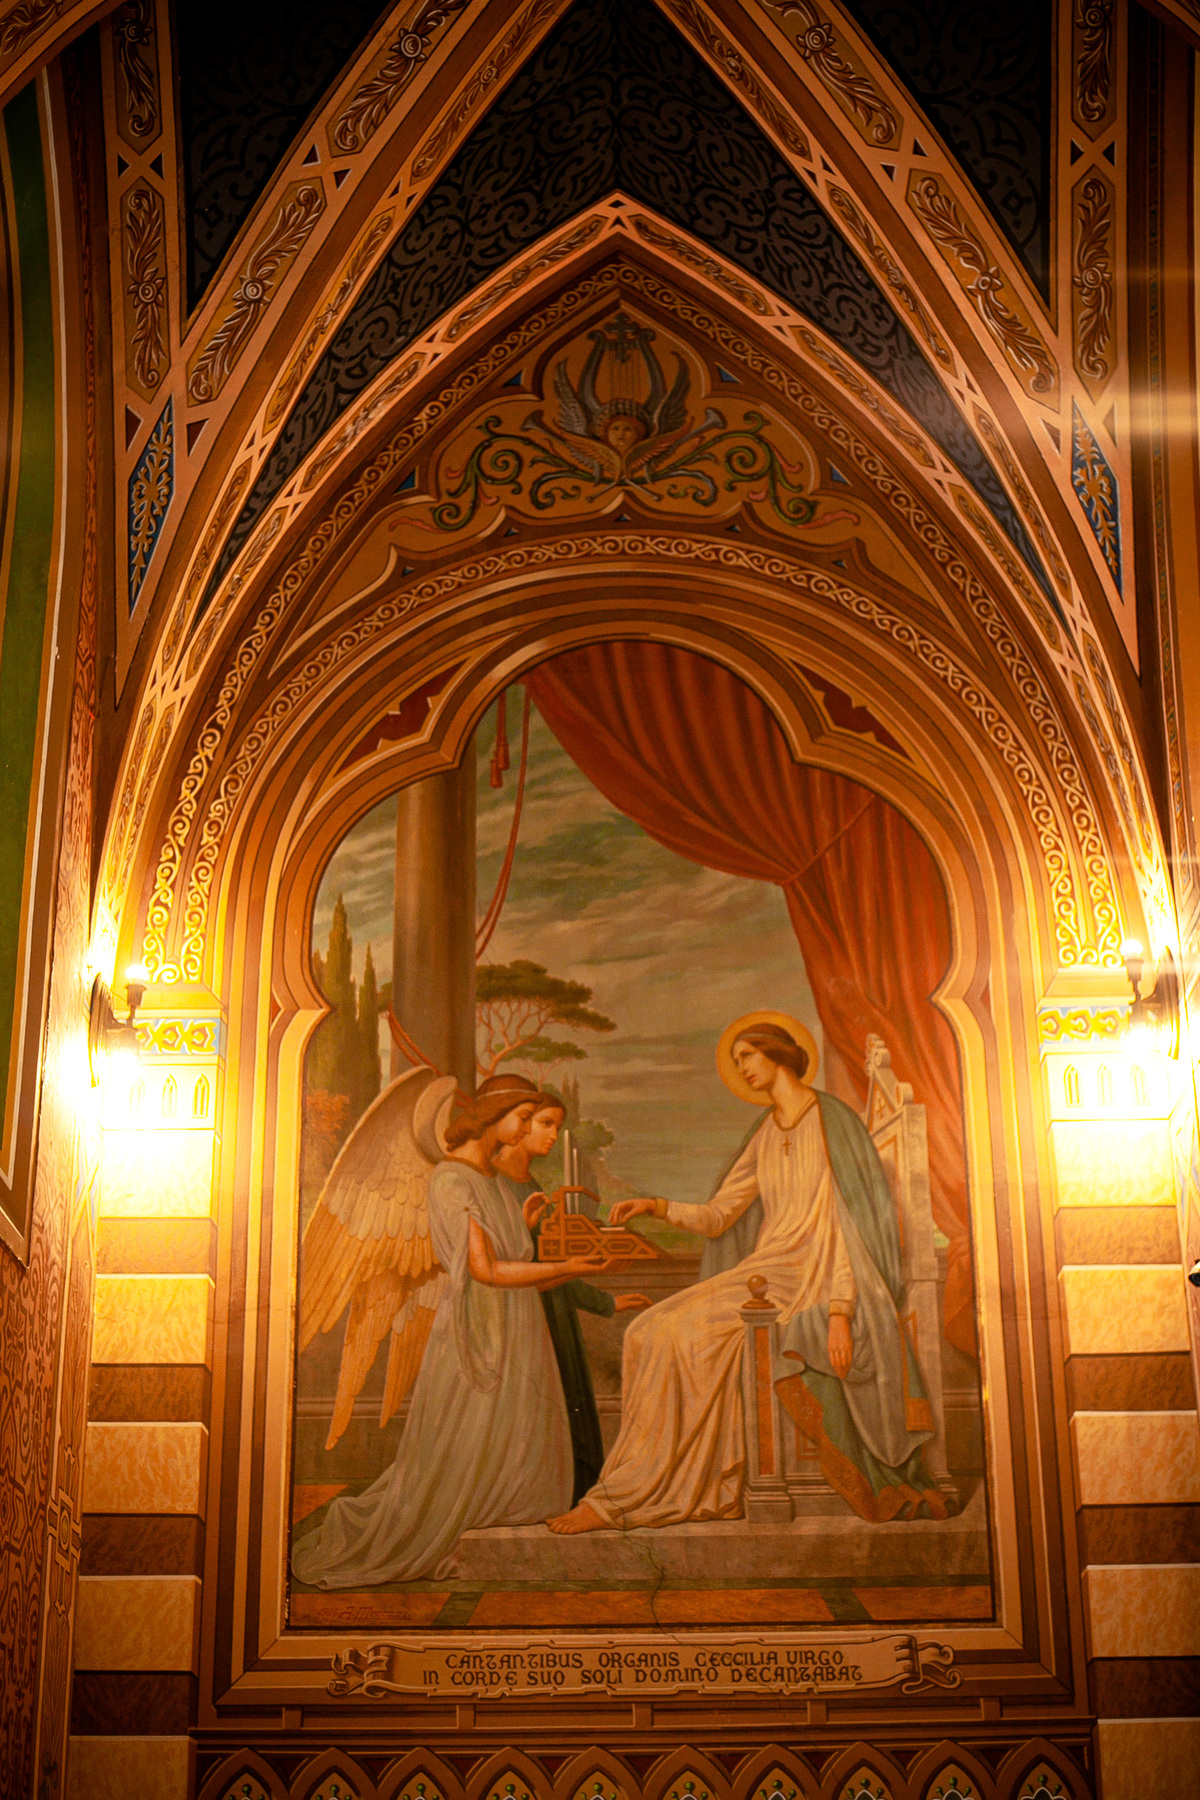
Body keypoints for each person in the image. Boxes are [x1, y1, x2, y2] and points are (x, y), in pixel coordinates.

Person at [547, 1011, 947, 1535]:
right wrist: (656, 1205)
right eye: (736, 1061)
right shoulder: (765, 1131)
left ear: (777, 1053)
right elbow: (720, 1215)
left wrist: (839, 1311)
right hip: (769, 1270)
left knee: (678, 1336)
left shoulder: (835, 1122)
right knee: (645, 1331)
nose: (742, 1069)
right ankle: (639, 1485)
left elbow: (854, 1230)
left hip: (816, 1277)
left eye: (747, 1057)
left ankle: (626, 1499)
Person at [291, 1075, 610, 1588]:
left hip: (518, 1329)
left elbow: (510, 1260)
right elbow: (486, 1272)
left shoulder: (494, 1180)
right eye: (522, 1118)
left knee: (516, 1441)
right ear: (495, 1114)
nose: (527, 1129)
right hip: (478, 1334)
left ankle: (495, 1533)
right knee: (471, 1439)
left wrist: (532, 1233)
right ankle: (450, 1533)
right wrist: (567, 1267)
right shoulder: (452, 1181)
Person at [488, 1076, 650, 1503]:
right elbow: (510, 1267)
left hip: (553, 1311)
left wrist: (607, 1301)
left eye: (557, 1127)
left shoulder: (531, 1186)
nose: (551, 1135)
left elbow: (550, 1264)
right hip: (520, 1319)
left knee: (570, 1400)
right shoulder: (492, 1185)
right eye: (544, 1123)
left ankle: (576, 1495)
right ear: (519, 1122)